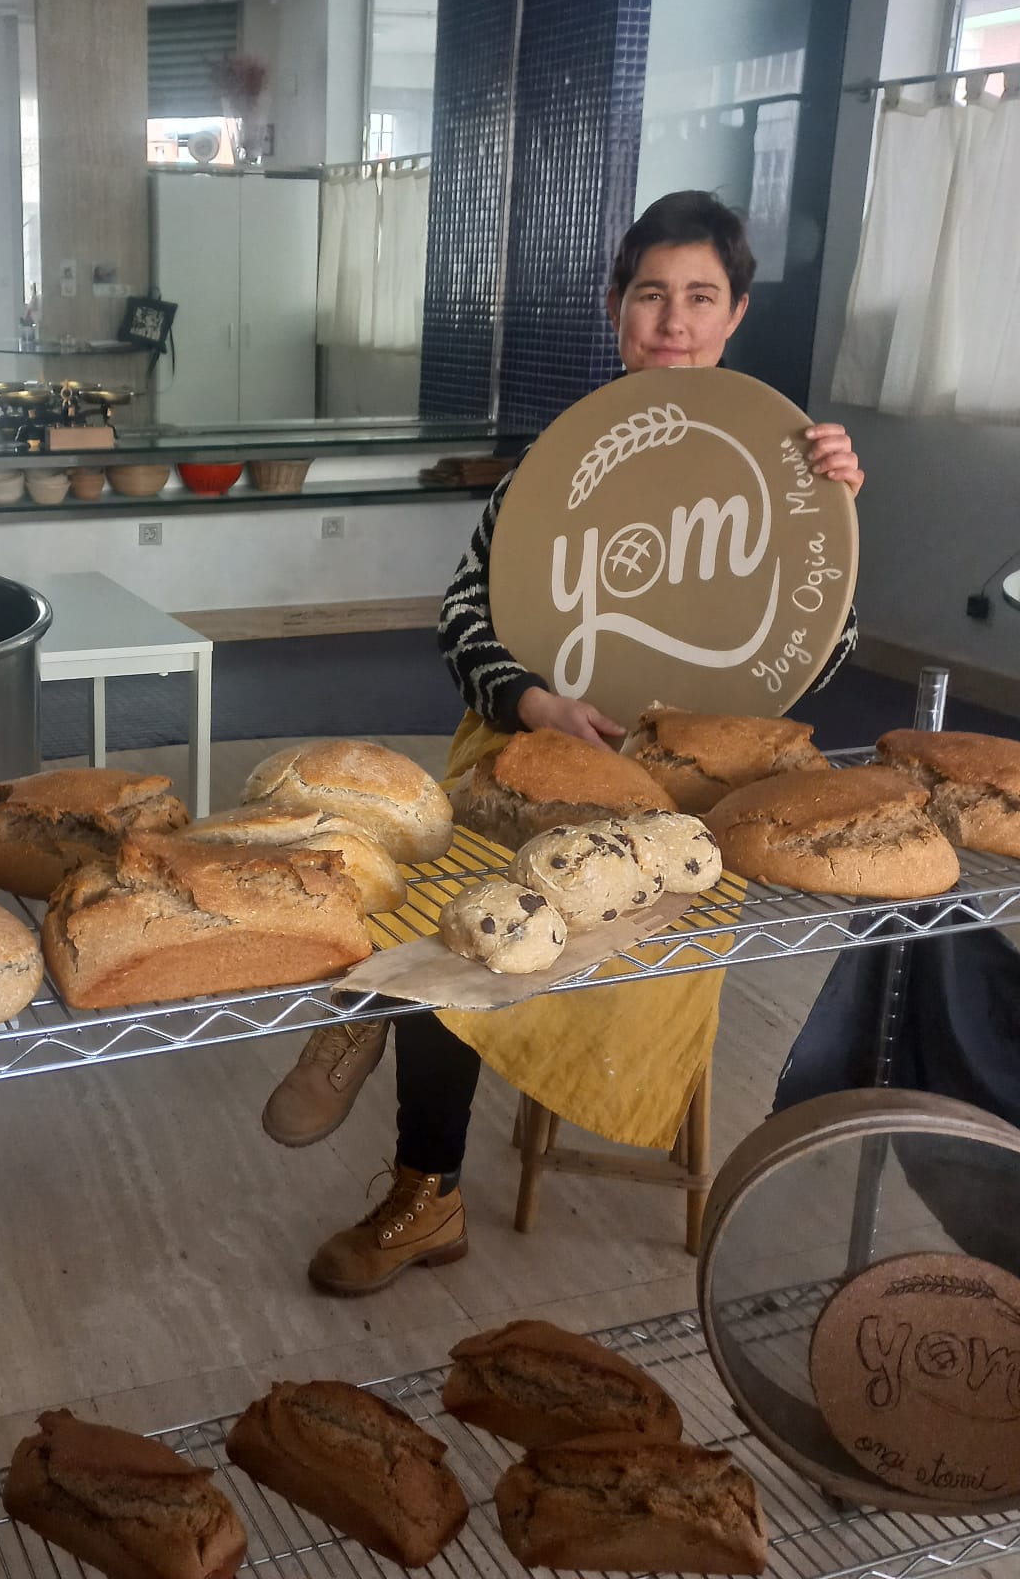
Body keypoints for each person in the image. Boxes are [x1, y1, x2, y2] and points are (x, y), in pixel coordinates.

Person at [264, 190, 867, 1296]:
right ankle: (421, 1163)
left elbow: (813, 665)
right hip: (531, 752)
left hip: (680, 804)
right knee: (447, 880)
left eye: (698, 297)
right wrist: (539, 707)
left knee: (508, 919)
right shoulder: (564, 459)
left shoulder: (792, 471)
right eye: (650, 296)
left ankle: (385, 1021)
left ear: (735, 316)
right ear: (615, 312)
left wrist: (833, 515)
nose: (671, 321)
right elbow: (463, 618)